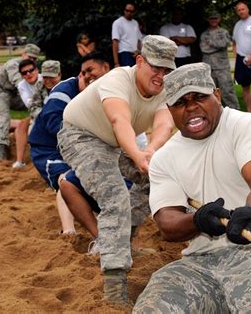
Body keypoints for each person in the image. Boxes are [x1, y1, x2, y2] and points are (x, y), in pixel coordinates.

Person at [133, 63, 251, 313]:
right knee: (153, 307)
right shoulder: (164, 159)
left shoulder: (245, 125)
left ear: (216, 95)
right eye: (180, 102)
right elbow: (167, 223)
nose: (191, 107)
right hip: (199, 262)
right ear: (169, 110)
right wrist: (198, 220)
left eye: (199, 97)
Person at [57, 35, 177, 304]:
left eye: (167, 69)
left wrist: (150, 154)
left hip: (116, 141)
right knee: (115, 198)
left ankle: (123, 242)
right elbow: (118, 119)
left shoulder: (166, 89)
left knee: (156, 180)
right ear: (139, 61)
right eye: (155, 67)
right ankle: (114, 285)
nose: (161, 75)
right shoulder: (117, 80)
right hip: (82, 135)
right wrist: (137, 154)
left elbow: (163, 124)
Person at [29, 52, 111, 236]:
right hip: (48, 149)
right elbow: (53, 124)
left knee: (92, 177)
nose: (92, 82)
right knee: (66, 179)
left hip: (80, 146)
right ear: (80, 75)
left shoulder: (103, 92)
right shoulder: (63, 93)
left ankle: (98, 219)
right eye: (87, 74)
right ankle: (69, 231)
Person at [0, 43, 41, 160]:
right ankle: (2, 147)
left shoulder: (32, 68)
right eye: (30, 57)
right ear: (23, 54)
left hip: (15, 95)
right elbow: (19, 82)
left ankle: (39, 135)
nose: (32, 60)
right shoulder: (13, 65)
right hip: (0, 93)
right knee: (4, 114)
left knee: (39, 105)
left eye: (34, 59)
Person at [200, 11, 240, 110]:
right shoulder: (204, 34)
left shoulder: (223, 32)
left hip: (222, 67)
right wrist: (218, 45)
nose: (213, 20)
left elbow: (225, 44)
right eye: (211, 19)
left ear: (219, 19)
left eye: (215, 18)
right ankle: (214, 112)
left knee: (227, 91)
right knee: (209, 91)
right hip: (209, 67)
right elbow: (203, 48)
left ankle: (235, 112)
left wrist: (211, 43)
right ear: (208, 20)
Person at [111, 2, 142, 68]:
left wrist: (138, 51)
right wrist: (116, 63)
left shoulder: (135, 23)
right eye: (127, 10)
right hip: (124, 54)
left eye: (131, 11)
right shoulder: (118, 23)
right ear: (124, 10)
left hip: (135, 54)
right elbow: (115, 42)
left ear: (134, 12)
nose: (129, 13)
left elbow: (139, 39)